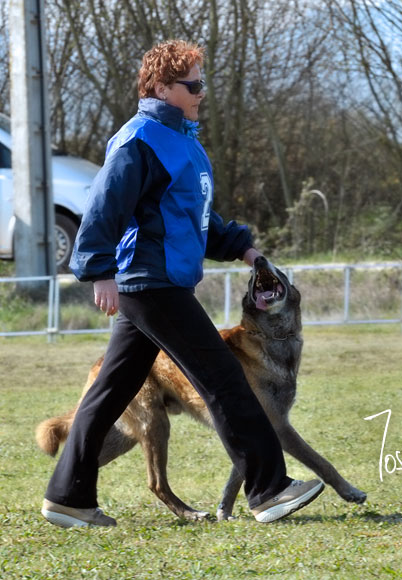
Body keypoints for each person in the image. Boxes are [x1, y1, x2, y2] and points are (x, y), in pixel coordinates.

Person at [41, 39, 324, 528]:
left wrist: (244, 249)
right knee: (223, 377)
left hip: (159, 283)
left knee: (110, 391)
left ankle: (68, 497)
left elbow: (195, 218)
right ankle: (269, 490)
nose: (201, 93)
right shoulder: (139, 141)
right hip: (151, 283)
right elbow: (104, 208)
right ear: (160, 87)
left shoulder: (184, 142)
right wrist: (99, 270)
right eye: (192, 85)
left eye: (202, 83)